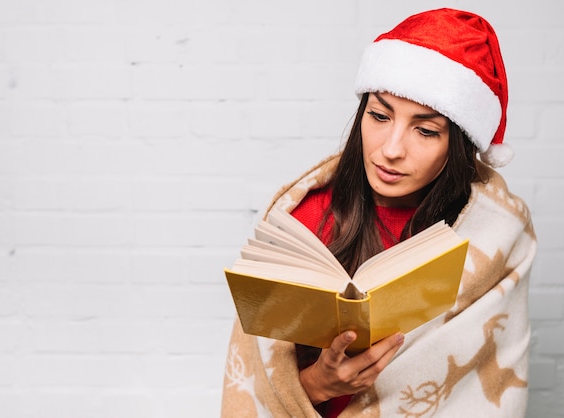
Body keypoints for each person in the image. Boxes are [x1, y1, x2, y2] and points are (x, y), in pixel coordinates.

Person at [221, 8, 537, 418]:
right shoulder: (306, 217)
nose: (391, 149)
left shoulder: (496, 234)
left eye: (425, 130)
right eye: (379, 115)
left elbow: (491, 386)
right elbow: (256, 379)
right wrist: (319, 384)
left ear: (457, 144)